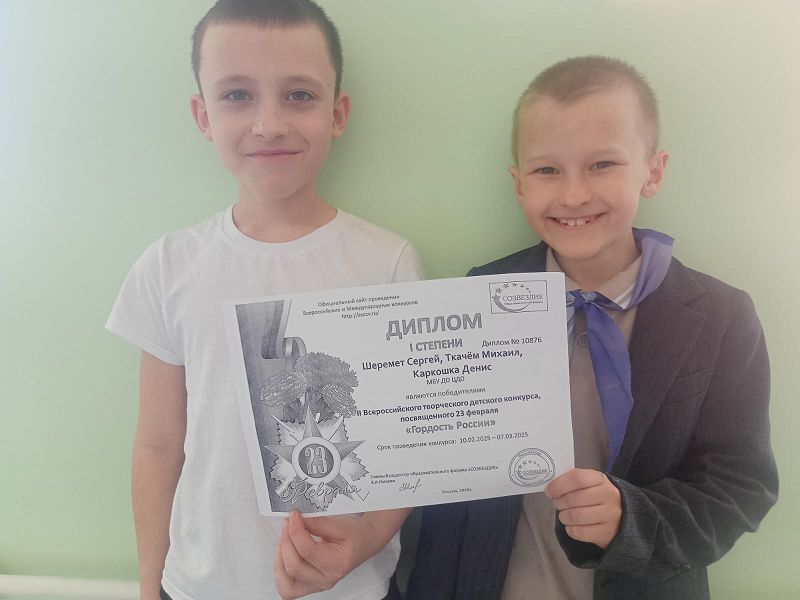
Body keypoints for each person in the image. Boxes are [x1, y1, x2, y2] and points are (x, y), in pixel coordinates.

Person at [407, 56, 777, 600]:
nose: (574, 195)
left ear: (653, 171)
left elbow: (740, 486)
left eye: (602, 164)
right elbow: (443, 462)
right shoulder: (479, 295)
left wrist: (632, 519)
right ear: (518, 184)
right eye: (547, 170)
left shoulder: (722, 317)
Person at [106, 1, 422, 599]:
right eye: (237, 95)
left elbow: (409, 446)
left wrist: (366, 540)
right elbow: (158, 443)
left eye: (299, 95)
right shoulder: (169, 265)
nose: (270, 123)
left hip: (347, 589)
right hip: (198, 586)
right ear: (203, 115)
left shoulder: (386, 263)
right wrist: (150, 585)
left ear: (337, 113)